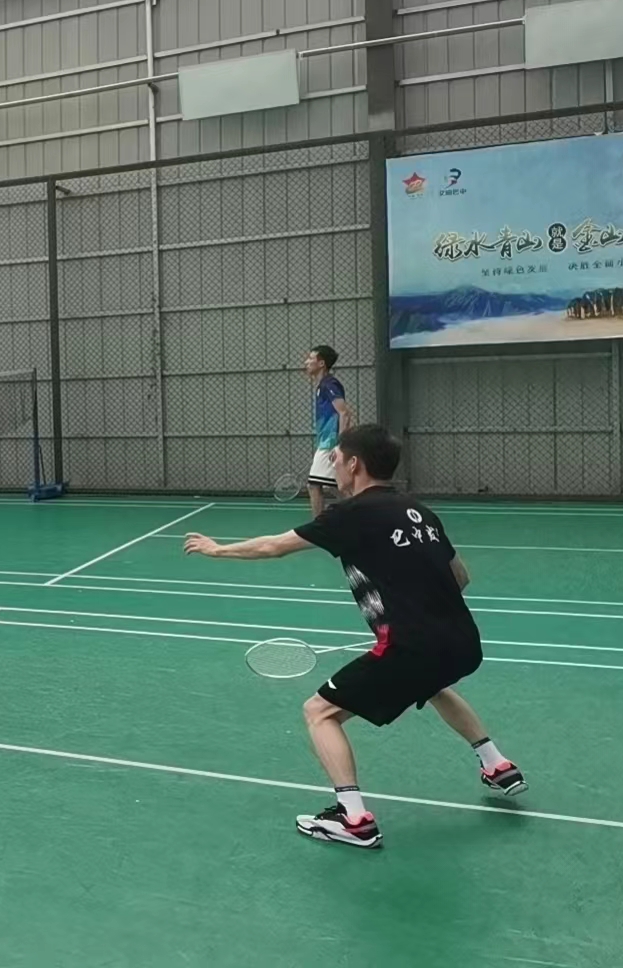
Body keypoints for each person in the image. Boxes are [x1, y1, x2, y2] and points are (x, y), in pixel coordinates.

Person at [182, 423, 525, 849]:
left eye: (338, 459)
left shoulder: (350, 514)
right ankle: (497, 764)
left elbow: (273, 546)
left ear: (355, 464)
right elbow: (461, 577)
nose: (335, 466)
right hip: (462, 642)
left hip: (411, 647)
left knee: (319, 712)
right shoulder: (420, 512)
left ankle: (354, 819)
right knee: (432, 684)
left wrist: (217, 549)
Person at [303, 344, 351, 516]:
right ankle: (364, 515)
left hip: (330, 442)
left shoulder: (329, 384)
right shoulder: (322, 386)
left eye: (311, 358)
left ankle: (319, 525)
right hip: (326, 441)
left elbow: (344, 413)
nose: (306, 362)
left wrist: (339, 445)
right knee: (337, 486)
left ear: (321, 363)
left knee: (314, 485)